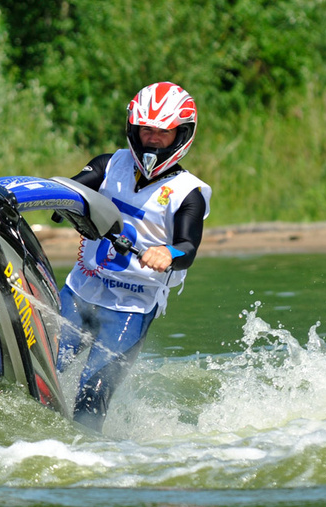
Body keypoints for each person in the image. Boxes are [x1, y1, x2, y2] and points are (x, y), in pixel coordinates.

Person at [54, 81, 212, 431]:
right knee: (44, 367)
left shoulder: (188, 193)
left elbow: (187, 249)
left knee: (92, 393)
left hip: (131, 307)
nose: (152, 140)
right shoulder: (109, 165)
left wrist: (167, 253)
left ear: (181, 135)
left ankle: (82, 451)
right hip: (80, 292)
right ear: (133, 130)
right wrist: (58, 204)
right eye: (146, 130)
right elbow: (68, 189)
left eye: (163, 132)